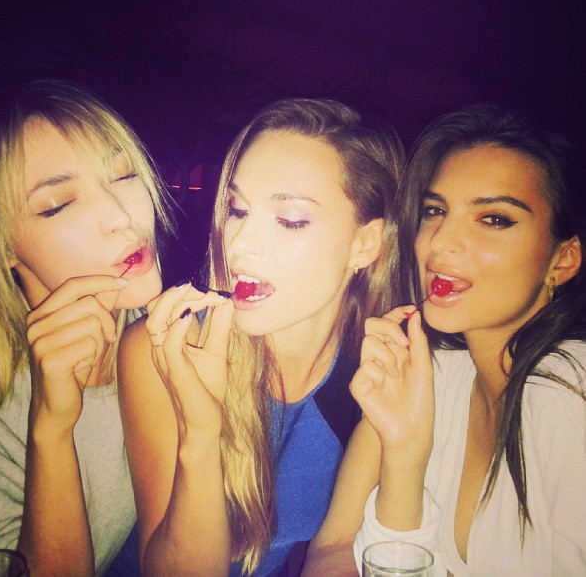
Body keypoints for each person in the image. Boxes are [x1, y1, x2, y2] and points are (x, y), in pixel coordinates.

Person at [118, 98, 404, 575]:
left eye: (290, 219)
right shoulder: (167, 347)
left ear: (365, 244)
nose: (238, 244)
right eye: (237, 209)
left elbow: (337, 547)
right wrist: (201, 433)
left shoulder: (372, 369)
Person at [303, 104, 586, 576]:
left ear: (563, 260)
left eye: (493, 219)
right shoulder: (426, 372)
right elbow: (333, 551)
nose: (439, 242)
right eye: (434, 211)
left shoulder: (569, 390)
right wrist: (404, 454)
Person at [0, 79, 173, 575]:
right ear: (2, 245)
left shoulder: (162, 332)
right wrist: (52, 429)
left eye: (123, 174)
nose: (122, 216)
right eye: (58, 203)